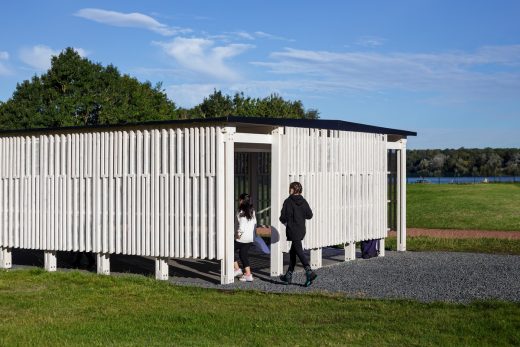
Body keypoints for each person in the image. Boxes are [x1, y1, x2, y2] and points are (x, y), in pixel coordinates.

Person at [279, 182, 317, 287]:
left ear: (293, 190)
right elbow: (309, 215)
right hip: (301, 229)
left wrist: (287, 222)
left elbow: (282, 217)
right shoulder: (303, 201)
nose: (289, 190)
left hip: (292, 229)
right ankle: (288, 275)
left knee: (299, 251)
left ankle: (309, 272)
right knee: (293, 252)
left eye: (290, 188)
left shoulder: (288, 201)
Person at [234, 193, 257, 282]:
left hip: (241, 237)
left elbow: (242, 224)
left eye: (239, 199)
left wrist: (238, 234)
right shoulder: (252, 210)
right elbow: (255, 223)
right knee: (243, 254)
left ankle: (237, 269)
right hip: (250, 237)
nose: (238, 201)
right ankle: (248, 274)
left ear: (242, 200)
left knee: (229, 251)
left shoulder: (241, 211)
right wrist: (254, 236)